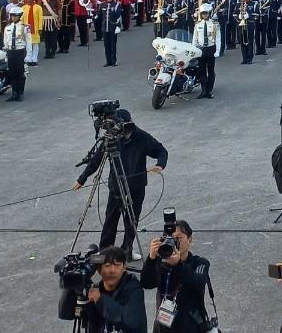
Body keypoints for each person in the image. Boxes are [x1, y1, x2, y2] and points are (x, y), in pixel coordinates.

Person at [74, 109, 168, 259]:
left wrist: (160, 165)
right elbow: (96, 160)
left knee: (132, 220)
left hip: (136, 185)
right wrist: (82, 178)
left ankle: (127, 250)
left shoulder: (141, 136)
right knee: (111, 218)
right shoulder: (112, 138)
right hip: (116, 184)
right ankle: (105, 252)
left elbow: (161, 151)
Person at [140, 219, 213, 333]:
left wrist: (178, 265)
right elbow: (146, 283)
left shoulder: (200, 263)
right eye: (171, 239)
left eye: (179, 238)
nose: (175, 243)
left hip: (191, 326)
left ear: (190, 239)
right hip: (164, 326)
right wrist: (151, 258)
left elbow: (198, 283)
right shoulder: (163, 263)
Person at [63, 246, 147, 333]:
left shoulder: (133, 287)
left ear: (124, 268)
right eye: (107, 265)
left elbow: (131, 320)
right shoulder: (93, 290)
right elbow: (65, 314)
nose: (112, 270)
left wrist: (100, 300)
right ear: (99, 270)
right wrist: (72, 283)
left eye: (117, 265)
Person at [2, 4, 30, 101]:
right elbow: (5, 42)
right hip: (11, 52)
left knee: (20, 74)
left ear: (20, 16)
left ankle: (20, 93)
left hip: (20, 51)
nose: (13, 17)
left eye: (15, 16)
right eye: (12, 15)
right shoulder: (8, 27)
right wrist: (6, 53)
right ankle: (14, 93)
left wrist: (28, 56)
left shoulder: (24, 27)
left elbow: (28, 42)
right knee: (12, 73)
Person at [192, 2, 219, 98]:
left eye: (206, 13)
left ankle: (209, 91)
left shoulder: (215, 24)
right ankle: (203, 91)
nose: (205, 15)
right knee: (201, 71)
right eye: (203, 13)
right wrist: (193, 50)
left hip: (211, 48)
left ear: (210, 13)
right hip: (201, 49)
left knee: (211, 71)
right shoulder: (198, 24)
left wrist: (217, 51)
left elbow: (218, 38)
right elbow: (195, 39)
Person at [95, 0, 123, 66]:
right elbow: (99, 16)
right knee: (106, 45)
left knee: (113, 45)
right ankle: (108, 61)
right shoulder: (102, 4)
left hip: (113, 27)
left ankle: (113, 61)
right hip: (104, 28)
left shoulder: (117, 4)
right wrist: (91, 17)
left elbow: (118, 16)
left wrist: (118, 26)